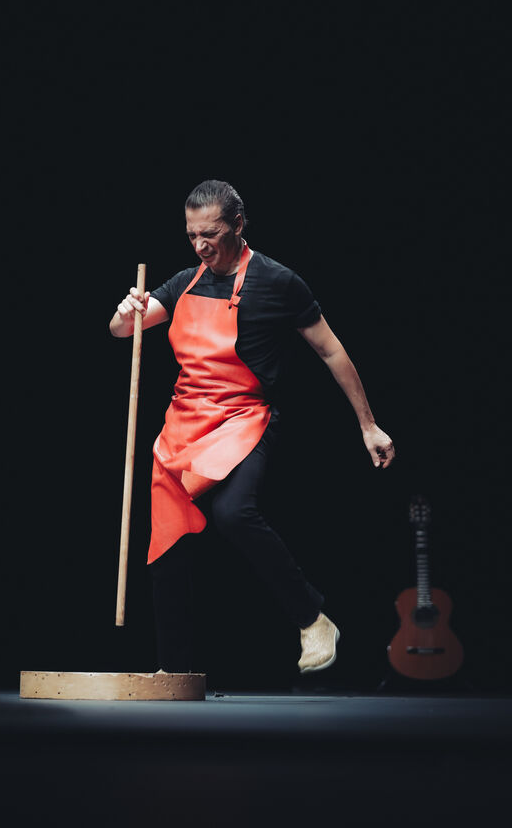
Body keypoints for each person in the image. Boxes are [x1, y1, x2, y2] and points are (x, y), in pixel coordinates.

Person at [109, 179, 395, 676]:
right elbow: (122, 330)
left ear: (238, 225)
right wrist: (125, 311)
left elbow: (331, 351)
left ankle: (312, 619)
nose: (201, 246)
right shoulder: (183, 283)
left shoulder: (278, 282)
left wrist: (368, 425)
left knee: (234, 512)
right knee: (168, 540)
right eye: (192, 236)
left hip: (242, 418)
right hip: (184, 425)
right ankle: (174, 673)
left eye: (211, 234)